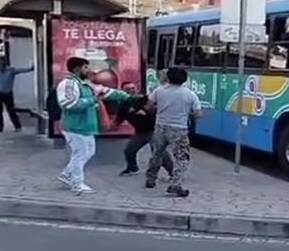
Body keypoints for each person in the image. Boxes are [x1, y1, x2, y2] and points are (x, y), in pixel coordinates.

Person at [56, 57, 131, 195]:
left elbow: (105, 92)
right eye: (85, 67)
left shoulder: (86, 83)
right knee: (80, 154)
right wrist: (93, 100)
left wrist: (127, 97)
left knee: (88, 152)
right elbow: (68, 104)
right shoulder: (68, 84)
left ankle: (67, 175)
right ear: (77, 69)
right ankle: (77, 183)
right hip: (75, 127)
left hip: (86, 126)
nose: (89, 70)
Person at [144, 66, 202, 197]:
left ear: (168, 77)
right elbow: (198, 114)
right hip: (179, 129)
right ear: (184, 79)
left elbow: (149, 106)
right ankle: (175, 184)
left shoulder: (159, 91)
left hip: (160, 126)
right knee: (182, 158)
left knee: (156, 154)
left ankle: (150, 179)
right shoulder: (190, 94)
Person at [115, 82, 173, 177]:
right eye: (128, 89)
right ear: (123, 92)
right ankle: (132, 168)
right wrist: (112, 125)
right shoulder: (123, 104)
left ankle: (171, 172)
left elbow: (155, 108)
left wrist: (147, 110)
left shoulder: (145, 99)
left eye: (133, 88)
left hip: (153, 130)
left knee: (159, 152)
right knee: (129, 150)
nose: (131, 91)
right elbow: (119, 119)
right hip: (140, 132)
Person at [0, 56, 33, 132]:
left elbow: (21, 70)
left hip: (7, 93)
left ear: (6, 62)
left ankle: (17, 126)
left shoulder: (11, 70)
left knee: (11, 111)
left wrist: (30, 68)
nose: (2, 63)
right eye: (0, 61)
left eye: (3, 61)